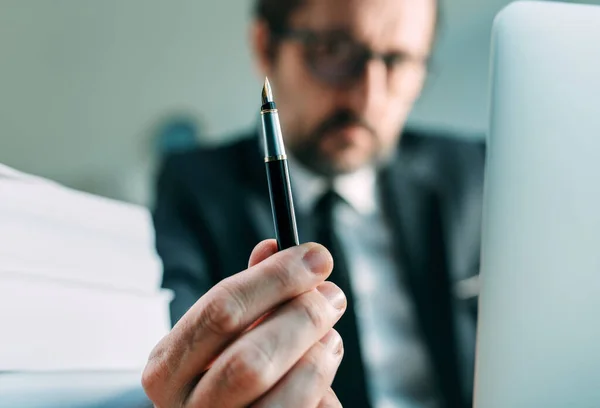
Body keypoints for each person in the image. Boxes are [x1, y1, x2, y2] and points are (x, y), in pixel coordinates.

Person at [145, 0, 485, 407]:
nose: (367, 97)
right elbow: (167, 343)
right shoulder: (196, 186)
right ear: (265, 46)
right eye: (334, 51)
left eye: (399, 61)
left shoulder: (473, 169)